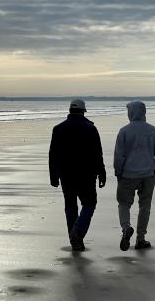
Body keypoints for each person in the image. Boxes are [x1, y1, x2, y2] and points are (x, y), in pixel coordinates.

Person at [49, 99, 106, 251]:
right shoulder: (90, 129)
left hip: (65, 175)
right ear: (83, 111)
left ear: (70, 110)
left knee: (70, 206)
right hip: (86, 175)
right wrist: (102, 173)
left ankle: (74, 239)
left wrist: (53, 176)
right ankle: (78, 233)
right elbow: (97, 154)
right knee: (89, 204)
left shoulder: (58, 129)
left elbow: (53, 155)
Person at [114, 101, 155, 251]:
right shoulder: (153, 131)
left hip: (128, 175)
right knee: (145, 206)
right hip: (148, 174)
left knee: (124, 203)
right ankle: (140, 239)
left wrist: (118, 172)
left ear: (130, 113)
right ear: (144, 112)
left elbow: (119, 157)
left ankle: (125, 228)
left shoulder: (124, 131)